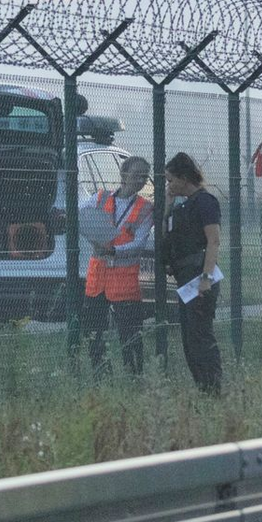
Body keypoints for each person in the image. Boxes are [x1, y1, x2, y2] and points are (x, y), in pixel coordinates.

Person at [80, 156, 152, 377]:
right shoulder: (99, 198)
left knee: (129, 333)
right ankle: (100, 374)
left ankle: (134, 374)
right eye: (136, 174)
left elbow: (139, 243)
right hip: (98, 277)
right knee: (94, 331)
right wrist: (94, 240)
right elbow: (80, 216)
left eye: (144, 176)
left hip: (124, 279)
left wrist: (114, 251)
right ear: (123, 175)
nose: (140, 179)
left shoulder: (145, 208)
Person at [163, 152, 222, 394]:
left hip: (200, 276)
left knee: (201, 336)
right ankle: (202, 388)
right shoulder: (182, 206)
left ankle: (213, 388)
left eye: (171, 180)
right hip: (184, 277)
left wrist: (206, 279)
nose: (169, 185)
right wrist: (168, 204)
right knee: (189, 338)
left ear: (185, 177)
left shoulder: (205, 202)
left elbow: (214, 241)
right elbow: (166, 233)